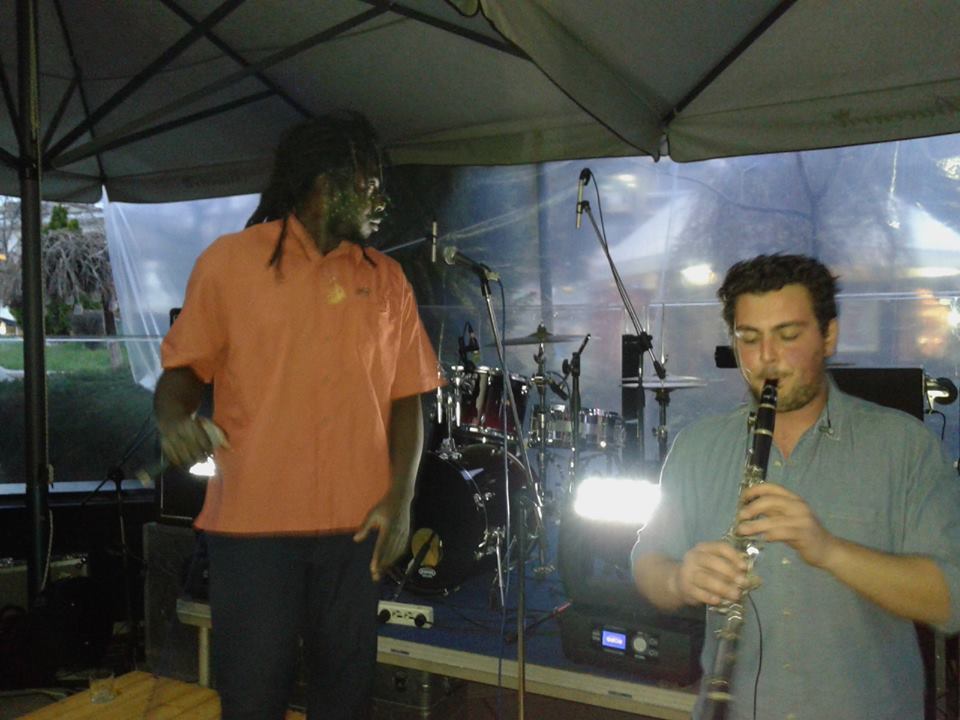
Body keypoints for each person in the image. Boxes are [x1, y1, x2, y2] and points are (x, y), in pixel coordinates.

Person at [153, 113, 442, 720]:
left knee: (346, 701)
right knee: (253, 700)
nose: (381, 199)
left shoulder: (387, 279)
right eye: (368, 184)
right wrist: (174, 420)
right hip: (254, 530)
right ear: (324, 184)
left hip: (356, 529)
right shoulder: (230, 263)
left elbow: (408, 398)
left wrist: (401, 499)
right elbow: (182, 372)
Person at [631, 254, 960, 720]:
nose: (767, 357)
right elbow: (647, 561)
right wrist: (679, 579)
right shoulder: (697, 447)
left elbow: (951, 600)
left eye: (788, 336)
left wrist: (827, 549)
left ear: (829, 336)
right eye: (749, 338)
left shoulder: (905, 446)